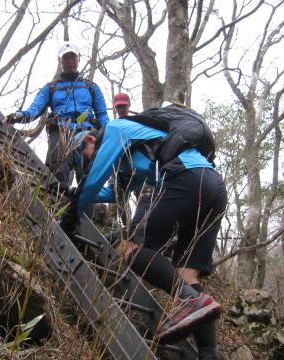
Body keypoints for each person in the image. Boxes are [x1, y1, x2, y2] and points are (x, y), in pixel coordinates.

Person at [62, 103, 227, 359]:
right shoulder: (135, 151)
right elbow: (115, 193)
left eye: (83, 152)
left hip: (186, 177)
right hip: (213, 185)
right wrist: (78, 193)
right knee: (186, 272)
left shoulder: (117, 129)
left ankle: (190, 300)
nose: (86, 159)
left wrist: (70, 218)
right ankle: (209, 353)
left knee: (129, 249)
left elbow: (93, 179)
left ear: (91, 140)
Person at [3, 41, 110, 188]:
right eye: (65, 58)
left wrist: (108, 133)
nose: (70, 61)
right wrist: (18, 116)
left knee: (89, 175)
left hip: (87, 132)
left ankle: (85, 205)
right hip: (60, 131)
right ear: (60, 61)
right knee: (58, 172)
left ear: (79, 58)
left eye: (73, 57)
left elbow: (102, 115)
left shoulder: (91, 87)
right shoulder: (51, 88)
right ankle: (58, 203)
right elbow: (34, 110)